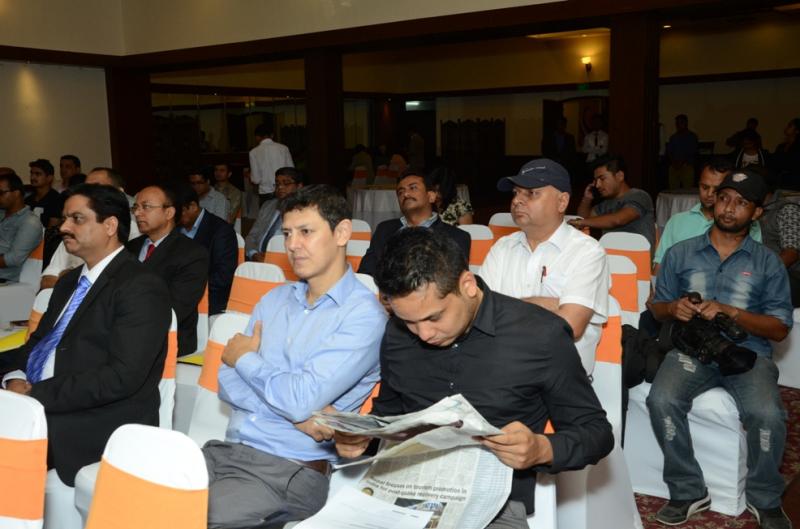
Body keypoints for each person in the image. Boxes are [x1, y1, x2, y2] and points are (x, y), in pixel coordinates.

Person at [335, 228, 613, 529]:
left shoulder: (539, 335)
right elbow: (388, 414)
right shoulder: (398, 334)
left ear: (467, 285)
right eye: (409, 321)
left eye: (434, 317)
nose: (423, 334)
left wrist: (542, 448)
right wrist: (362, 437)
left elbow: (596, 432)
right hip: (403, 494)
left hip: (494, 506)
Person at [204, 185, 386, 528]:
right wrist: (297, 417)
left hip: (288, 470)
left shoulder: (363, 317)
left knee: (187, 518)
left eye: (306, 232)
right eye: (287, 233)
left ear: (342, 233)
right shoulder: (273, 300)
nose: (292, 244)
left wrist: (246, 360)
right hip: (223, 452)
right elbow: (226, 380)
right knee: (137, 499)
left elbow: (296, 395)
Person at [0, 184, 171, 529]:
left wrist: (34, 395)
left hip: (96, 417)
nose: (64, 227)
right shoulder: (69, 283)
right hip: (39, 399)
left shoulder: (140, 286)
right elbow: (37, 346)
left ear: (110, 225)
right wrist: (14, 375)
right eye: (65, 218)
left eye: (77, 219)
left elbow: (121, 377)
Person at [648, 168, 793, 528]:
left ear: (757, 212)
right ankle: (687, 490)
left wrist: (732, 312)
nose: (729, 208)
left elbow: (779, 328)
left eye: (741, 202)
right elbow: (656, 307)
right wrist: (673, 308)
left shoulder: (769, 263)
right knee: (661, 399)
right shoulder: (681, 253)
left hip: (748, 354)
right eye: (724, 198)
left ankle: (765, 498)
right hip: (693, 351)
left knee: (768, 414)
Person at [482, 159, 609, 374]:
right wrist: (552, 304)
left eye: (531, 193)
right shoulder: (502, 248)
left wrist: (503, 308)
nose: (517, 200)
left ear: (562, 202)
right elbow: (479, 314)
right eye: (515, 193)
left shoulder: (587, 252)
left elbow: (570, 325)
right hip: (502, 368)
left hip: (558, 377)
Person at [127, 184, 208, 356]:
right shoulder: (130, 248)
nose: (138, 213)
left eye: (146, 207)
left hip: (167, 340)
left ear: (169, 213)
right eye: (136, 207)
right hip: (125, 333)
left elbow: (176, 308)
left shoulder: (192, 254)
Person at [654, 157, 761, 274]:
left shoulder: (743, 224)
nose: (709, 194)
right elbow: (660, 268)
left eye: (716, 189)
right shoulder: (677, 222)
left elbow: (752, 271)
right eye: (704, 187)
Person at [357, 169, 470, 277]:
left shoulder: (456, 237)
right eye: (400, 192)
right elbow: (366, 273)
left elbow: (453, 282)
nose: (406, 194)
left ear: (431, 196)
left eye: (413, 188)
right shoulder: (384, 230)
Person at [41, 167, 140, 289]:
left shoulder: (134, 235)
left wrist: (71, 277)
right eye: (86, 188)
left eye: (77, 218)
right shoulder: (72, 234)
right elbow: (46, 280)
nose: (64, 228)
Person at [176, 182, 237, 315]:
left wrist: (187, 286)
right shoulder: (175, 227)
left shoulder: (221, 231)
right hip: (176, 297)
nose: (173, 217)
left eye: (177, 213)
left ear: (192, 206)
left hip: (209, 299)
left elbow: (223, 276)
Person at [572, 154, 656, 249]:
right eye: (596, 180)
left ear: (620, 176)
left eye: (602, 179)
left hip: (638, 256)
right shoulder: (604, 204)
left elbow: (618, 220)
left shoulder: (639, 196)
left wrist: (580, 222)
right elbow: (584, 219)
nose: (597, 185)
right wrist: (587, 199)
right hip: (611, 255)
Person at [245, 167, 306, 261]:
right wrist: (253, 253)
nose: (280, 187)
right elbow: (252, 236)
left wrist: (275, 259)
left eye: (286, 183)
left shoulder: (305, 212)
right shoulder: (268, 206)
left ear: (299, 186)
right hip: (257, 259)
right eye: (277, 184)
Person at [760, 188, 800, 307]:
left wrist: (762, 275)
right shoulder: (751, 208)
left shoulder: (787, 209)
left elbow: (791, 253)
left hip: (788, 275)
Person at [0, 172, 43, 282]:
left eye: (1, 193)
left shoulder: (30, 222)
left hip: (5, 278)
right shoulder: (2, 213)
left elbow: (14, 259)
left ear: (16, 193)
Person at [249, 123, 294, 206]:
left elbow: (256, 179)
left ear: (257, 137)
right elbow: (291, 171)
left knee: (266, 214)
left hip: (266, 193)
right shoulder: (283, 148)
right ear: (272, 135)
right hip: (284, 190)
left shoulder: (253, 152)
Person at [26, 158, 64, 228]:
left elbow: (52, 229)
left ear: (49, 178)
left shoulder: (57, 200)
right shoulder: (27, 200)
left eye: (38, 174)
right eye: (31, 173)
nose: (32, 177)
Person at [666, 114, 699, 189]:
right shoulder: (673, 137)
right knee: (673, 189)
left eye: (680, 123)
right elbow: (669, 152)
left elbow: (692, 152)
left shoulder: (692, 137)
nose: (678, 125)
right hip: (674, 165)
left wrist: (682, 162)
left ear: (686, 123)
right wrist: (674, 162)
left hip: (687, 165)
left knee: (687, 189)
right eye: (677, 123)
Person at [770, 118, 800, 190]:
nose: (786, 127)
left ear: (797, 131)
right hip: (779, 180)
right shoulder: (781, 146)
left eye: (790, 126)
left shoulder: (798, 147)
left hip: (794, 182)